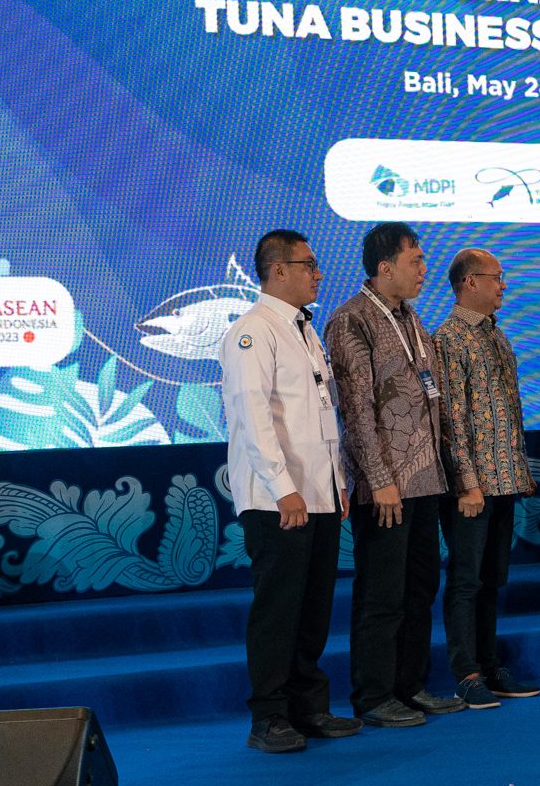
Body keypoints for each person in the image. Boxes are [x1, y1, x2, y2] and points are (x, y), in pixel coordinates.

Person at [221, 230, 362, 753]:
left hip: (317, 492)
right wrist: (284, 489)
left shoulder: (303, 329)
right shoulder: (252, 331)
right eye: (308, 264)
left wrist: (337, 483)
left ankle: (308, 707)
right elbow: (253, 418)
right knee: (279, 610)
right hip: (276, 499)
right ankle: (269, 717)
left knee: (313, 607)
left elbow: (322, 415)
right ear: (278, 270)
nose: (318, 273)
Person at [326, 222, 462, 727]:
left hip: (426, 480)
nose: (425, 269)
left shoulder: (411, 318)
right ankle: (374, 695)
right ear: (385, 268)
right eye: (415, 261)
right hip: (385, 487)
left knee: (420, 588)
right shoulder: (352, 320)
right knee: (382, 594)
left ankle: (410, 685)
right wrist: (380, 479)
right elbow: (357, 410)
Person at [435, 249, 540, 708]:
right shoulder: (449, 338)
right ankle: (467, 672)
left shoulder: (495, 334)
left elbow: (507, 412)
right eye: (496, 277)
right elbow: (450, 419)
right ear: (469, 282)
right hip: (472, 486)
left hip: (504, 479)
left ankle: (490, 664)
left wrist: (517, 471)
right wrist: (467, 483)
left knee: (492, 579)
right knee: (466, 580)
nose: (503, 285)